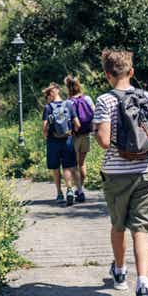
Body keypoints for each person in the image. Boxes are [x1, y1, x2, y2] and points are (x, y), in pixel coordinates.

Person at [92, 48, 148, 296]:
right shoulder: (147, 97)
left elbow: (103, 142)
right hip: (146, 171)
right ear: (131, 71)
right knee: (141, 230)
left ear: (107, 74)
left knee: (118, 225)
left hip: (116, 173)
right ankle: (144, 287)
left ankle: (121, 272)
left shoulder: (104, 100)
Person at [41, 83, 80, 206]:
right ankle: (69, 189)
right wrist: (71, 132)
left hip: (53, 141)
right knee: (68, 166)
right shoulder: (69, 104)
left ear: (51, 93)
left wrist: (47, 135)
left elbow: (44, 128)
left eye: (48, 93)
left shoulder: (48, 107)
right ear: (58, 91)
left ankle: (59, 193)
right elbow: (77, 124)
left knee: (56, 168)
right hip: (67, 140)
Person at [64, 75, 95, 204]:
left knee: (73, 165)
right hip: (86, 135)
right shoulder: (87, 98)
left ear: (68, 87)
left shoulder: (68, 102)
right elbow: (94, 114)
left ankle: (79, 190)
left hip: (74, 136)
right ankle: (80, 189)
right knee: (82, 163)